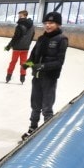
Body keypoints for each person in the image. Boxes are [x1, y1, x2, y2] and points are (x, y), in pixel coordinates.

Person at [20, 11, 68, 140]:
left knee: (47, 107)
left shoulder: (61, 39)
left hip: (49, 78)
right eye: (46, 23)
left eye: (51, 23)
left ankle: (48, 134)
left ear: (58, 24)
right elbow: (33, 56)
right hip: (37, 77)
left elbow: (59, 62)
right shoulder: (41, 39)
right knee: (35, 105)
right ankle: (32, 127)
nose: (47, 25)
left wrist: (42, 66)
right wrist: (27, 64)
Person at [4, 10, 35, 84]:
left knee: (13, 62)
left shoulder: (19, 26)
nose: (19, 17)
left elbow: (15, 37)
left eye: (21, 16)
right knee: (24, 63)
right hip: (26, 47)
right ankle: (22, 77)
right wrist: (28, 44)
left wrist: (9, 46)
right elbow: (32, 36)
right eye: (19, 16)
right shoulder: (32, 26)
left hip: (17, 48)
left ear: (25, 16)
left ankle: (9, 76)